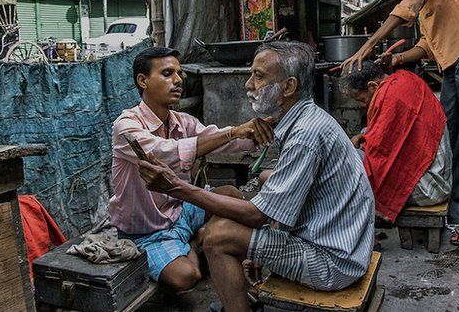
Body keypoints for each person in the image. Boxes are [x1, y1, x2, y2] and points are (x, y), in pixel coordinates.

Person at [138, 42, 375, 312]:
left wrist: (178, 188)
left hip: (334, 261)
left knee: (217, 235)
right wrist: (259, 247)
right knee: (253, 189)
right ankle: (245, 295)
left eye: (259, 76)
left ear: (288, 87)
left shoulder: (305, 135)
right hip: (341, 245)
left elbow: (257, 215)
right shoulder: (307, 118)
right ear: (142, 82)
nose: (249, 85)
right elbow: (285, 205)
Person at [341, 0, 459, 246]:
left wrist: (369, 45)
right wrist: (397, 59)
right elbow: (428, 44)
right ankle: (454, 204)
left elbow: (407, 8)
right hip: (451, 62)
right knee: (446, 134)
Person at [109, 46, 274, 291]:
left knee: (230, 194)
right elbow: (165, 152)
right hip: (146, 232)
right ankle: (197, 240)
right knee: (186, 276)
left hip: (179, 212)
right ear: (143, 81)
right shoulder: (126, 126)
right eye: (167, 74)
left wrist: (258, 131)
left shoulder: (181, 121)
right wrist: (232, 131)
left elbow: (220, 141)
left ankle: (204, 242)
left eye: (179, 74)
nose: (177, 80)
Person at [341, 61, 452, 222]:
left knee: (350, 165)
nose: (362, 105)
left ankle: (361, 229)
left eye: (361, 99)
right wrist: (365, 136)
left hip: (431, 187)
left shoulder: (391, 97)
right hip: (437, 177)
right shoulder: (405, 78)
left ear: (372, 86)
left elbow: (379, 151)